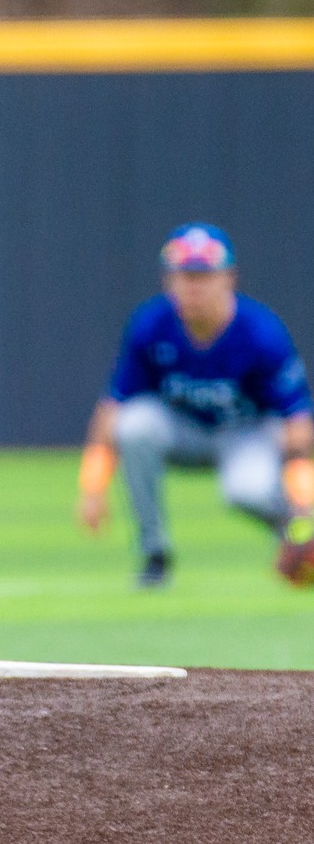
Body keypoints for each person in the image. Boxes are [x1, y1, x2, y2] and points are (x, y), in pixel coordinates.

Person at [76, 223, 314, 588]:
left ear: (228, 278)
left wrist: (304, 499)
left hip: (245, 435)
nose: (194, 286)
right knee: (135, 425)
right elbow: (114, 408)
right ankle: (154, 553)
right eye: (185, 275)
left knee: (246, 490)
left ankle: (300, 532)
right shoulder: (151, 325)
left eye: (204, 276)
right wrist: (93, 488)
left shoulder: (260, 332)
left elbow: (297, 426)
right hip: (182, 431)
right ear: (168, 280)